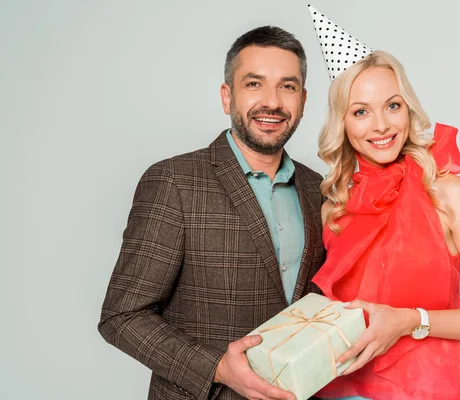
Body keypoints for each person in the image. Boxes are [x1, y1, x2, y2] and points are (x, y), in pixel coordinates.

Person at [306, 6, 460, 400]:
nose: (382, 125)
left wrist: (410, 321)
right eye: (360, 112)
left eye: (392, 105)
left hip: (430, 390)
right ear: (343, 123)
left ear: (408, 107)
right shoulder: (334, 208)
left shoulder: (449, 194)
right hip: (337, 391)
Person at [98, 25, 325, 400]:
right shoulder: (174, 182)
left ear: (302, 99)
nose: (272, 101)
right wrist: (218, 367)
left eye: (287, 86)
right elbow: (122, 317)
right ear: (227, 96)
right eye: (254, 84)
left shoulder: (318, 189)